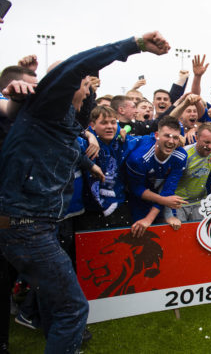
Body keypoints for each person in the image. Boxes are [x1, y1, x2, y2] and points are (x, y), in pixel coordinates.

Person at [0, 31, 170, 353]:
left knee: (56, 301)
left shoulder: (61, 119)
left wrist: (88, 162)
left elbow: (61, 143)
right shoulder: (48, 106)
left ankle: (59, 339)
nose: (90, 86)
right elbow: (76, 66)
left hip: (35, 223)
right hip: (25, 225)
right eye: (85, 82)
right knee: (73, 307)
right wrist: (134, 45)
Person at [126, 116, 188, 235]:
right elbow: (136, 189)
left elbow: (169, 189)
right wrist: (148, 218)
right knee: (139, 236)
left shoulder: (180, 156)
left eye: (175, 137)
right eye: (167, 136)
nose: (171, 141)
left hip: (163, 200)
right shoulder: (139, 158)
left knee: (170, 235)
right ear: (156, 135)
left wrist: (161, 209)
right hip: (137, 202)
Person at [165, 122, 211, 222]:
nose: (210, 146)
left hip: (200, 203)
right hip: (179, 203)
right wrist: (168, 213)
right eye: (206, 142)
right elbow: (167, 183)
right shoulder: (185, 154)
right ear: (196, 138)